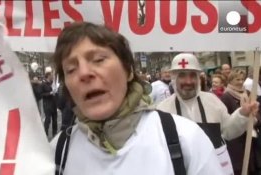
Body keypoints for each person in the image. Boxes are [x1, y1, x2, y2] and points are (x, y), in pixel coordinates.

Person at [50, 22, 224, 175]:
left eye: (98, 59)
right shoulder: (58, 150)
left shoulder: (185, 138)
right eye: (71, 69)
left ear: (129, 71)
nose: (84, 73)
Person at [156, 53, 259, 175]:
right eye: (182, 76)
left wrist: (242, 114)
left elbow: (228, 131)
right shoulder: (162, 109)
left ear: (198, 78)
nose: (188, 81)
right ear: (174, 78)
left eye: (192, 76)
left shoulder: (212, 101)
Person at [220, 68, 261, 175]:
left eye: (242, 79)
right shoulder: (226, 97)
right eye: (237, 79)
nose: (241, 82)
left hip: (251, 138)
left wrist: (255, 118)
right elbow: (226, 120)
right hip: (236, 142)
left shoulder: (248, 93)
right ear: (231, 80)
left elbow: (257, 112)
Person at [41, 72, 58, 137]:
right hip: (47, 105)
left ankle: (55, 134)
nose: (53, 77)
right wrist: (50, 93)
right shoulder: (43, 84)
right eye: (51, 76)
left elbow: (56, 92)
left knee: (55, 120)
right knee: (48, 120)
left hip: (54, 104)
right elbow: (41, 94)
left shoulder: (53, 84)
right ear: (48, 76)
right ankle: (45, 134)